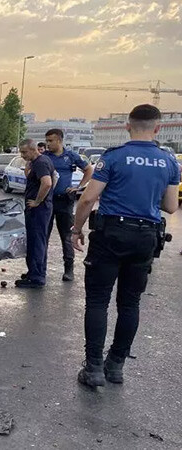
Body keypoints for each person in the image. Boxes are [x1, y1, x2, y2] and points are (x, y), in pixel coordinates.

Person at [72, 104, 179, 388]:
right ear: (158, 128)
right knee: (130, 303)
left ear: (128, 126)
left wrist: (76, 230)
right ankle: (116, 366)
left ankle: (94, 368)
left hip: (111, 234)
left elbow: (87, 199)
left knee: (98, 300)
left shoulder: (114, 157)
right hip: (146, 237)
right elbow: (171, 206)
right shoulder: (169, 162)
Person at [44, 129, 93, 282]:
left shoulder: (71, 156)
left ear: (59, 140)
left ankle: (69, 269)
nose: (48, 144)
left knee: (66, 235)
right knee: (43, 235)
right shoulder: (45, 156)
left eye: (51, 141)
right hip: (48, 200)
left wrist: (79, 187)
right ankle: (40, 268)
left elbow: (89, 169)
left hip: (65, 201)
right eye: (47, 140)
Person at [16, 139, 55, 289]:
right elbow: (53, 179)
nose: (22, 155)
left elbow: (47, 183)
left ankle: (37, 277)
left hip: (39, 210)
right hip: (41, 208)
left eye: (24, 152)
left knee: (37, 242)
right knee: (36, 240)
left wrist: (38, 201)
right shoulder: (40, 161)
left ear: (33, 149)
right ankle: (34, 272)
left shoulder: (41, 163)